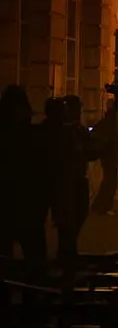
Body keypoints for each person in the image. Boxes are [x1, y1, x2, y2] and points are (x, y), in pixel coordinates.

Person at [0, 86, 46, 294]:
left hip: (17, 202)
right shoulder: (32, 135)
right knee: (33, 256)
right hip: (23, 203)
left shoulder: (28, 135)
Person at [57, 95, 101, 265]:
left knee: (77, 215)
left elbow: (91, 150)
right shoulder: (62, 130)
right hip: (65, 180)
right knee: (67, 218)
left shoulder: (76, 129)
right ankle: (66, 252)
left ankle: (68, 250)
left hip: (76, 179)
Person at [90, 101, 118, 215]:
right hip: (110, 157)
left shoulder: (104, 124)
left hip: (108, 157)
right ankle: (103, 206)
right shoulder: (110, 125)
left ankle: (100, 205)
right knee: (110, 183)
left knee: (109, 182)